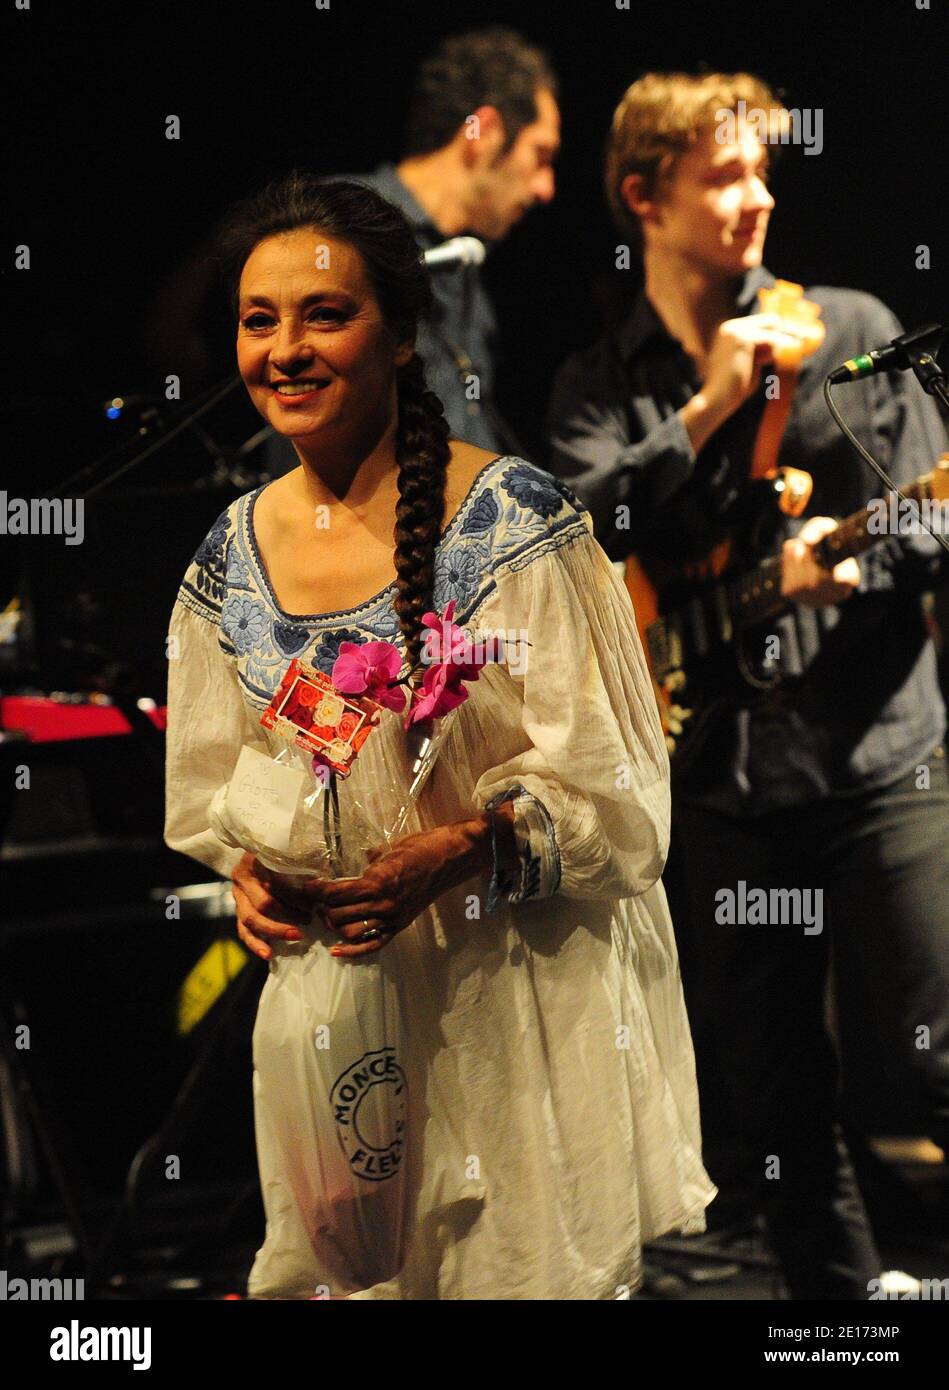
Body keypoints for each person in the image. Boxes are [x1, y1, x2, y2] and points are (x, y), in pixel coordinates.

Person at [162, 172, 715, 1300]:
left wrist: (462, 847)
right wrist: (252, 878)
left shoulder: (512, 523)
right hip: (345, 1016)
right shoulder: (230, 555)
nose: (285, 348)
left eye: (325, 313)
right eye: (257, 319)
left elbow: (618, 796)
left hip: (509, 1004)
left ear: (403, 333)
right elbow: (217, 782)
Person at [547, 70, 949, 1300]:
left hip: (876, 753)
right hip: (717, 778)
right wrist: (715, 401)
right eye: (724, 174)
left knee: (928, 1060)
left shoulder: (849, 328)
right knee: (769, 1092)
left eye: (763, 171)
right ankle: (844, 1310)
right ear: (641, 197)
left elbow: (932, 524)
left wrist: (845, 566)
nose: (755, 196)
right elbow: (570, 537)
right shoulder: (600, 386)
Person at [138, 26, 560, 464]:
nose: (546, 187)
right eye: (541, 155)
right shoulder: (332, 224)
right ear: (485, 132)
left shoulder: (464, 261)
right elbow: (173, 342)